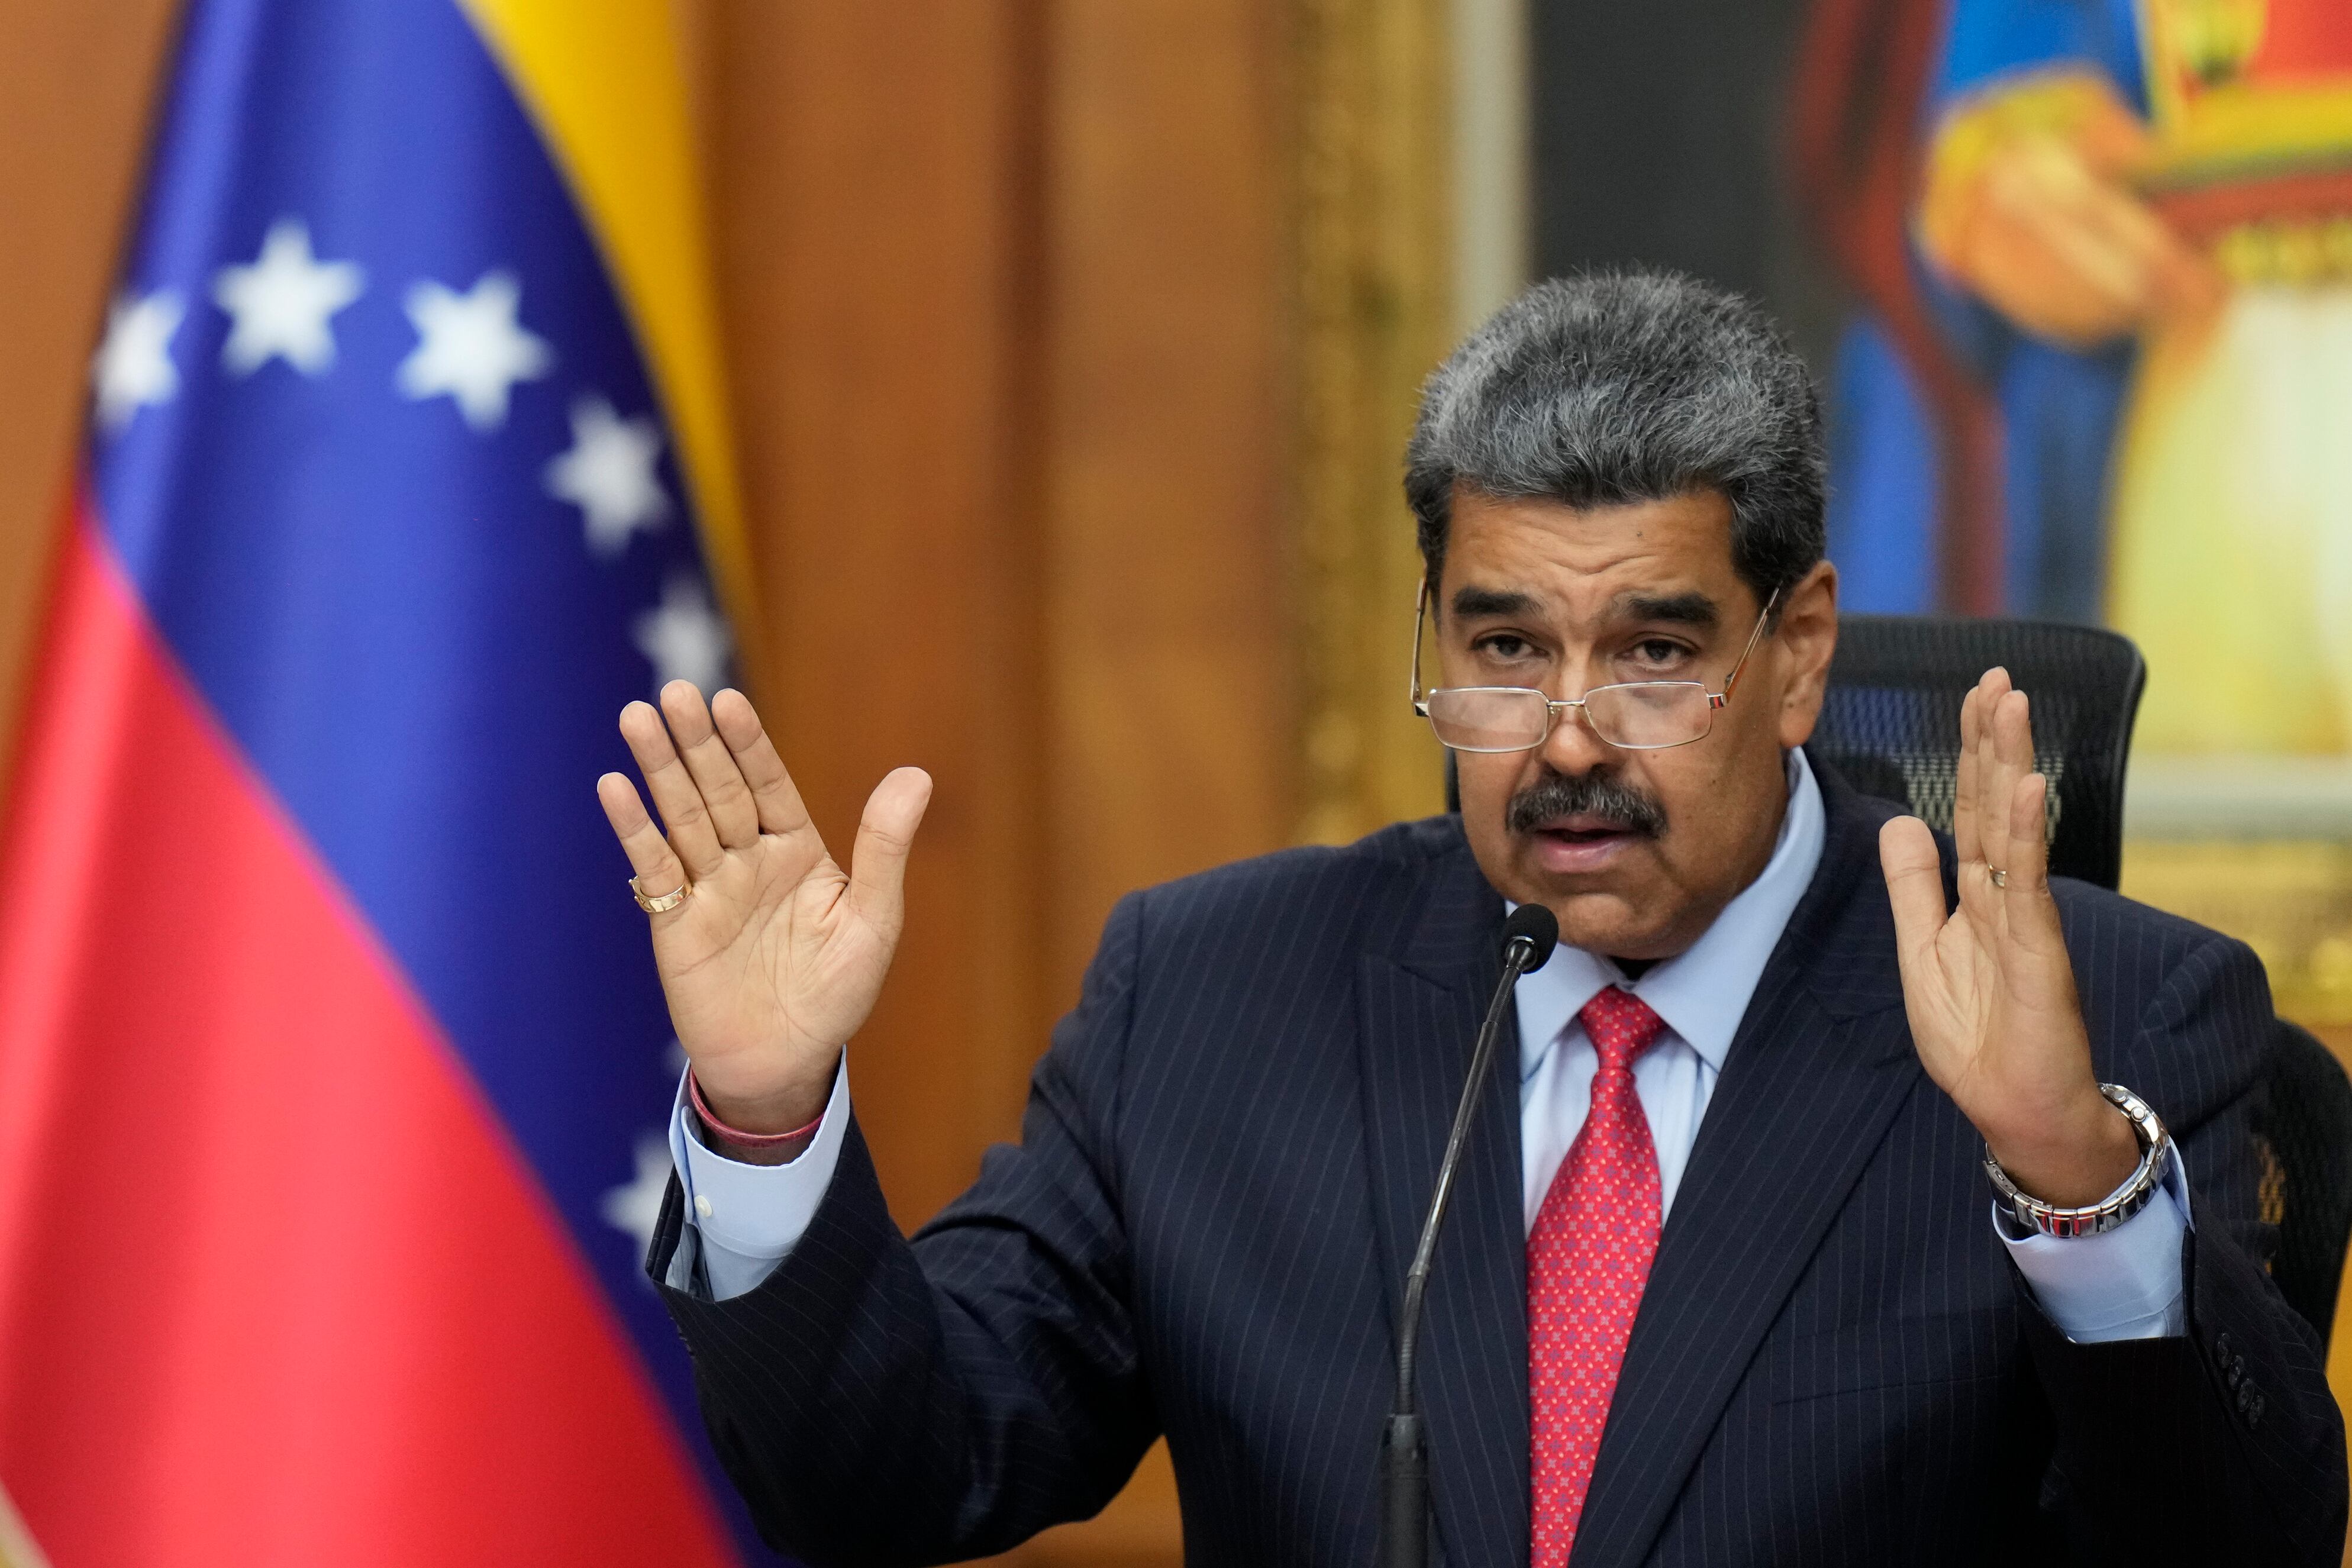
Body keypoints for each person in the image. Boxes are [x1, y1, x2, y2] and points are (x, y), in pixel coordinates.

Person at [596, 272, 2345, 1565]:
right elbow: (894, 1477)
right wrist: (766, 1120)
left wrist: (2065, 1174)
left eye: (1653, 651)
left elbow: (2239, 1547)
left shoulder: (2114, 1020)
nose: (1567, 739)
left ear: (1799, 650)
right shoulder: (1210, 996)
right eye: (1506, 648)